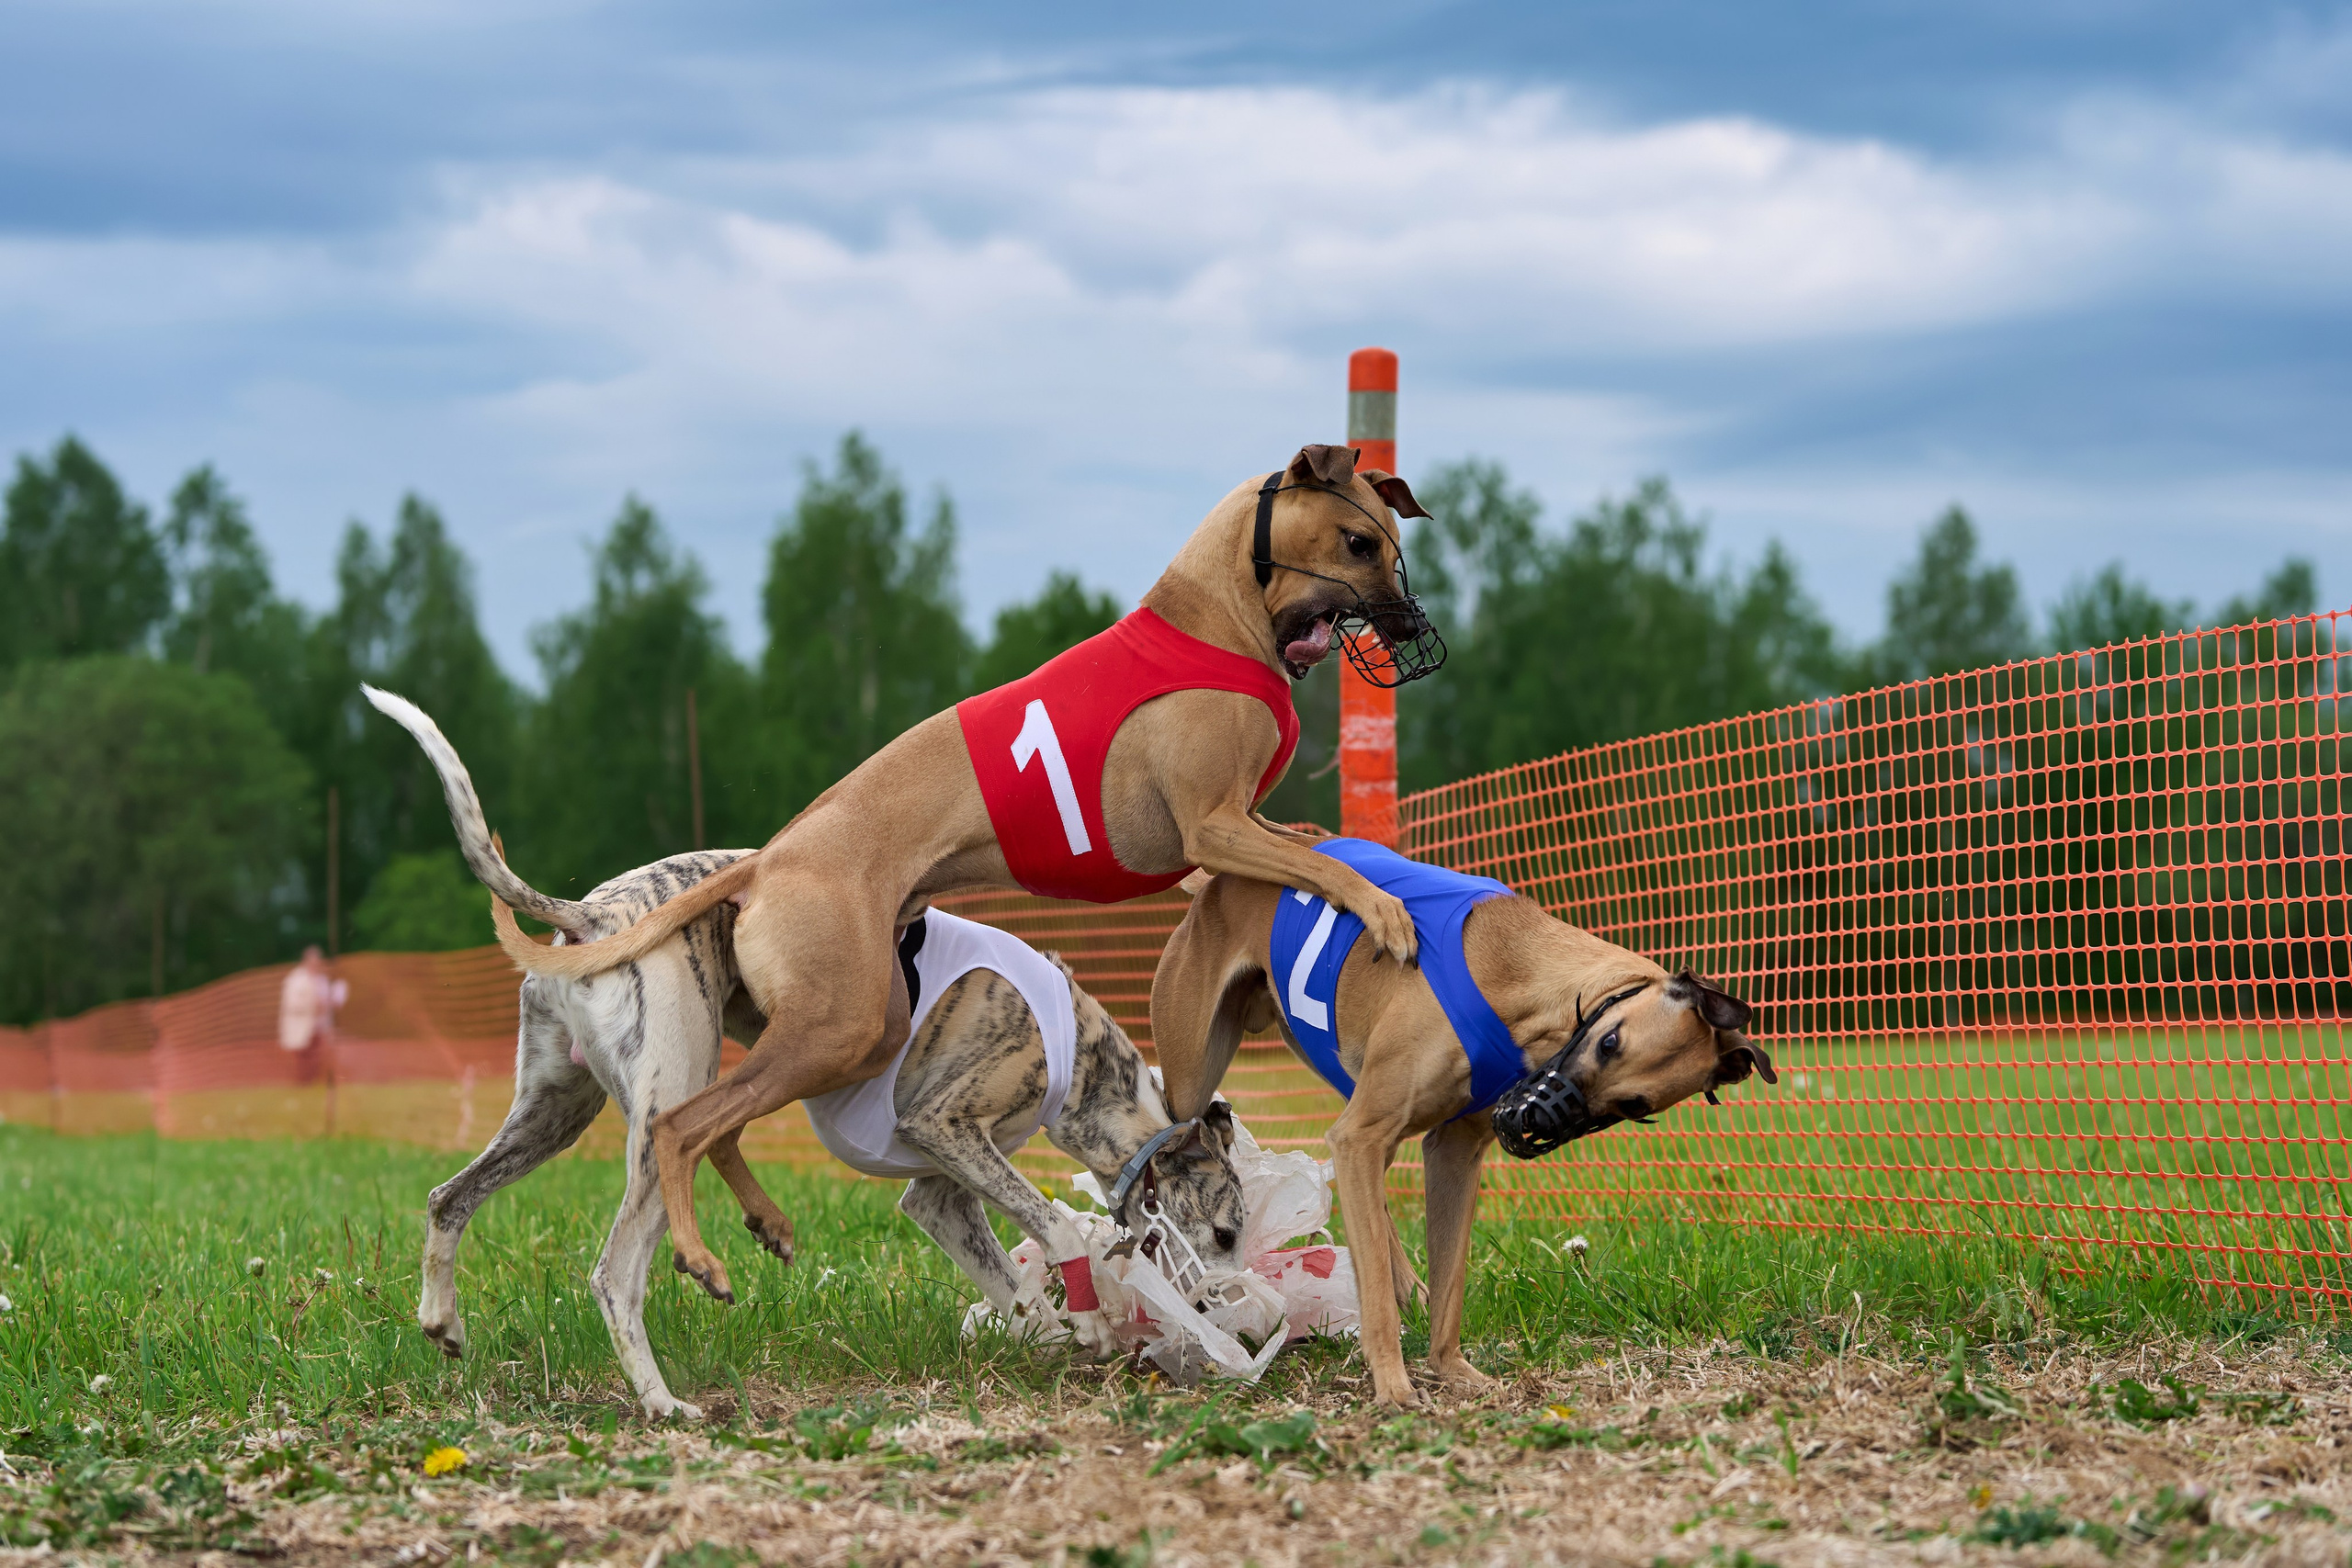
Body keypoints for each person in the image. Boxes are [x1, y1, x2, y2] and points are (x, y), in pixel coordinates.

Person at [277, 946, 347, 1086]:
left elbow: (329, 1001)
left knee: (318, 1057)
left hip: (319, 1027)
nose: (315, 965)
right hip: (301, 1027)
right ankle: (303, 1083)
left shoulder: (322, 980)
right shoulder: (295, 980)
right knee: (303, 1058)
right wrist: (312, 1006)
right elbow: (291, 1004)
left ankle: (313, 1081)